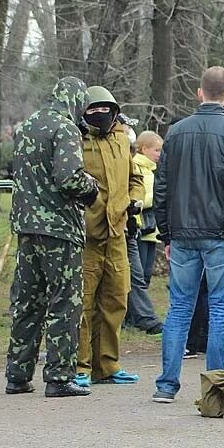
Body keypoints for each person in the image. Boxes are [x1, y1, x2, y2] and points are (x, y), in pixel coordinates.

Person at [152, 66, 224, 404]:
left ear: (200, 93)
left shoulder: (175, 133)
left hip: (183, 232)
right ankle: (218, 387)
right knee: (221, 310)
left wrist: (166, 233)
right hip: (221, 233)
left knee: (179, 308)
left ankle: (166, 385)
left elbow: (162, 187)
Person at [5, 77, 99, 397]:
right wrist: (92, 189)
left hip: (27, 227)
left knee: (27, 302)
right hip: (59, 229)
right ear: (77, 102)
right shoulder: (65, 128)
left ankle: (17, 375)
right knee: (65, 302)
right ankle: (59, 377)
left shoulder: (28, 125)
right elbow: (68, 178)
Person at [76, 86, 145, 387]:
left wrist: (136, 199)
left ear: (115, 111)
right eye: (93, 109)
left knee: (116, 298)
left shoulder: (121, 139)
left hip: (118, 231)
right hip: (86, 235)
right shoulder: (76, 140)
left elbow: (135, 178)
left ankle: (108, 365)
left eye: (106, 109)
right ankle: (80, 367)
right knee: (83, 302)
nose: (100, 114)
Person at [124, 130, 163, 334]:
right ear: (144, 148)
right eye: (156, 150)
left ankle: (133, 315)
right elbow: (141, 196)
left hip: (151, 230)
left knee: (145, 274)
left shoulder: (154, 170)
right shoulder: (137, 166)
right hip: (138, 226)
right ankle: (136, 316)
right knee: (135, 274)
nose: (159, 154)